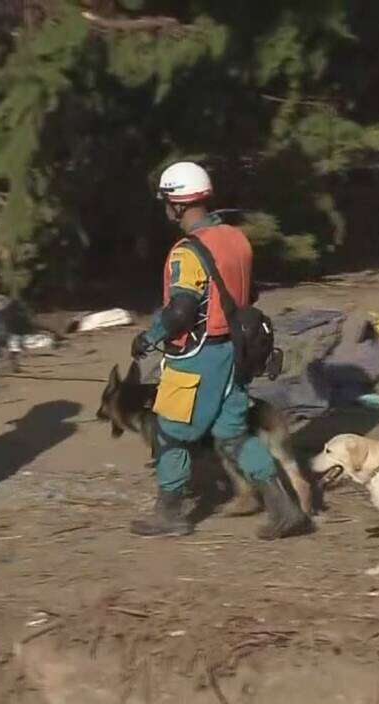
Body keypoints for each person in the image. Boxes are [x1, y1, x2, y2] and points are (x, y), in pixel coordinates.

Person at [129, 161, 309, 540]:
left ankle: (170, 514)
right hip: (237, 353)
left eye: (167, 202)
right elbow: (249, 291)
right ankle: (285, 509)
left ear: (177, 205)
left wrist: (149, 337)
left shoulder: (187, 252)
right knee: (232, 434)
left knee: (170, 432)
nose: (165, 209)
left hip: (199, 355)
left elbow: (181, 309)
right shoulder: (235, 238)